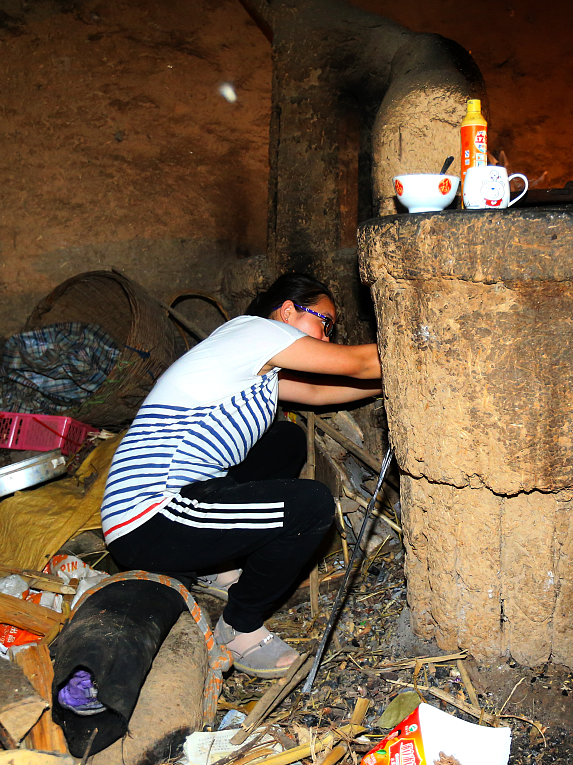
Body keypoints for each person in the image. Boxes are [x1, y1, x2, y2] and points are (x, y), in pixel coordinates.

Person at [100, 273, 381, 677]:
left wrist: (393, 383)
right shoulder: (255, 332)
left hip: (181, 501)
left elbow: (320, 394)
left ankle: (215, 564)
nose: (327, 337)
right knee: (311, 505)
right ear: (287, 311)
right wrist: (427, 344)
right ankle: (240, 627)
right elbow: (358, 363)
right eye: (325, 323)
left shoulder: (256, 366)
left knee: (285, 439)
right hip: (150, 518)